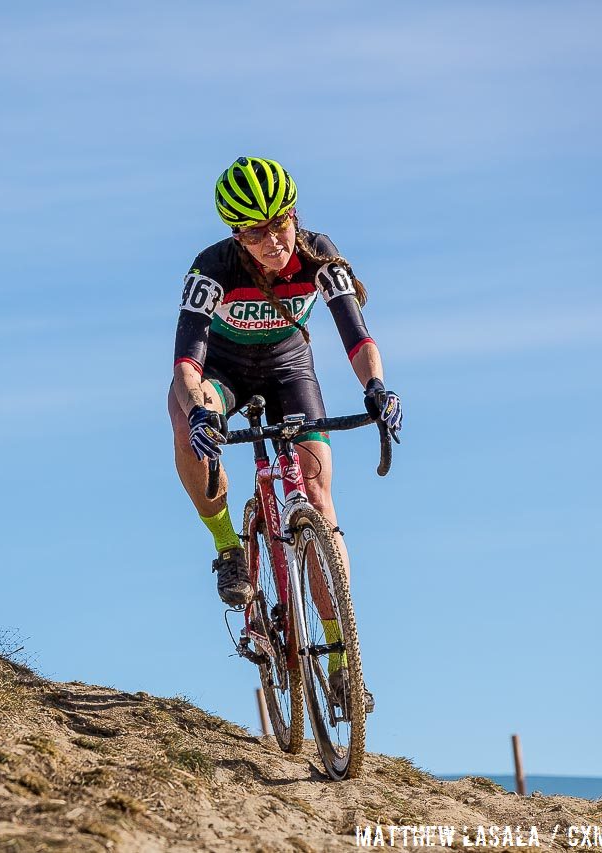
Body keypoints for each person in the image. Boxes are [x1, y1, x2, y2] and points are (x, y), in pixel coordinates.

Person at [168, 157, 402, 704]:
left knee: (319, 500)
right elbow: (188, 360)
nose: (272, 241)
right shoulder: (212, 268)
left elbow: (357, 335)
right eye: (255, 232)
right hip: (221, 373)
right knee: (185, 418)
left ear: (294, 216)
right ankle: (228, 546)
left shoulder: (320, 255)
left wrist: (377, 388)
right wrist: (201, 411)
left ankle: (343, 659)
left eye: (279, 224)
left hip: (289, 372)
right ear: (237, 236)